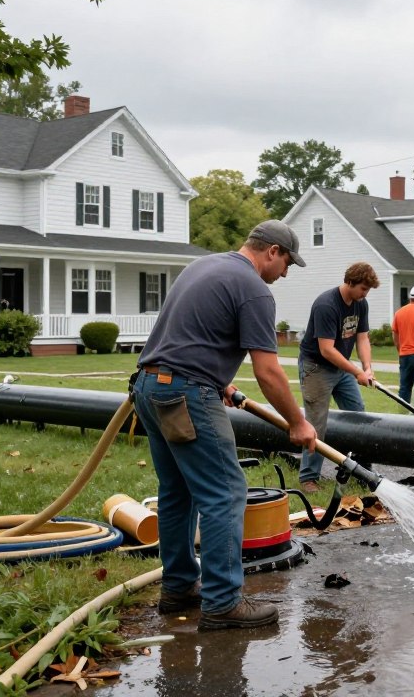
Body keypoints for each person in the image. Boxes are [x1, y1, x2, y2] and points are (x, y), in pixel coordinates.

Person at [132, 220, 316, 630]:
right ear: (271, 251)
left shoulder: (205, 266)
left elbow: (191, 335)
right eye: (286, 263)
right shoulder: (253, 288)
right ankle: (223, 603)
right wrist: (298, 423)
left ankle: (179, 586)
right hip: (184, 394)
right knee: (226, 493)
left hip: (149, 386)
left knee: (177, 491)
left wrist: (222, 382)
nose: (285, 273)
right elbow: (268, 372)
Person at [297, 262, 379, 492]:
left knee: (357, 415)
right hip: (316, 367)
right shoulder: (327, 305)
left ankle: (361, 471)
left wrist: (367, 368)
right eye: (363, 288)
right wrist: (356, 372)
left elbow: (362, 338)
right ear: (350, 282)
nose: (365, 294)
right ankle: (308, 478)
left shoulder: (360, 304)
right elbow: (327, 350)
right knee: (316, 422)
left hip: (341, 368)